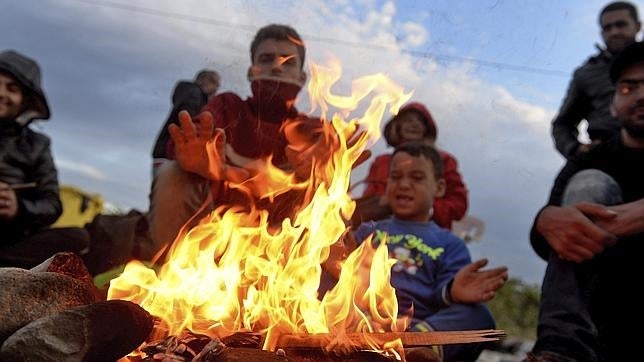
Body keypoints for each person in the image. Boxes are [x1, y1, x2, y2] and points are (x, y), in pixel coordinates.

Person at [147, 24, 352, 253]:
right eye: (266, 59)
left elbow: (332, 197)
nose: (276, 67)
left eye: (288, 61)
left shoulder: (313, 130)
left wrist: (330, 169)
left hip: (279, 248)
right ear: (251, 71)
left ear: (302, 78)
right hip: (210, 237)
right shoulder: (228, 106)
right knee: (173, 174)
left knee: (330, 194)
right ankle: (169, 271)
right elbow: (183, 142)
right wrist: (198, 158)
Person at [323, 143, 507, 362]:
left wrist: (452, 291)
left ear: (439, 188)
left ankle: (414, 347)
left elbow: (447, 294)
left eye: (417, 177)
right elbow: (343, 270)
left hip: (418, 326)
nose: (404, 184)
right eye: (396, 176)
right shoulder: (370, 230)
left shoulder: (449, 243)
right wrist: (334, 256)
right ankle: (337, 339)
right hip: (363, 320)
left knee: (478, 316)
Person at [527, 41, 644, 361]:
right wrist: (545, 221)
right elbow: (546, 234)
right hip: (604, 324)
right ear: (612, 105)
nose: (641, 95)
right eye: (628, 87)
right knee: (587, 184)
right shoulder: (589, 159)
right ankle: (562, 350)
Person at [0, 50, 89, 268]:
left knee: (78, 238)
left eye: (12, 89)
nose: (1, 93)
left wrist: (17, 208)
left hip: (10, 241)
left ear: (25, 101)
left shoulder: (38, 145)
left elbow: (51, 204)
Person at [355, 102, 467, 230]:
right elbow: (370, 200)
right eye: (408, 120)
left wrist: (422, 208)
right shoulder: (381, 162)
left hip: (428, 241)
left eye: (421, 122)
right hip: (380, 239)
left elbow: (459, 205)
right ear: (397, 126)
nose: (415, 124)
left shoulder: (444, 160)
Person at [551, 1, 641, 160]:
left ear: (638, 26)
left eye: (621, 25)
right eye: (607, 28)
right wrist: (576, 149)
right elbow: (562, 124)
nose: (614, 32)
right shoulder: (587, 73)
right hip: (604, 159)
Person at [151, 69, 220, 171]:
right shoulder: (195, 96)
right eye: (214, 83)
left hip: (163, 153)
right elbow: (188, 121)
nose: (216, 88)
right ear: (202, 80)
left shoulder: (187, 93)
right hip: (172, 155)